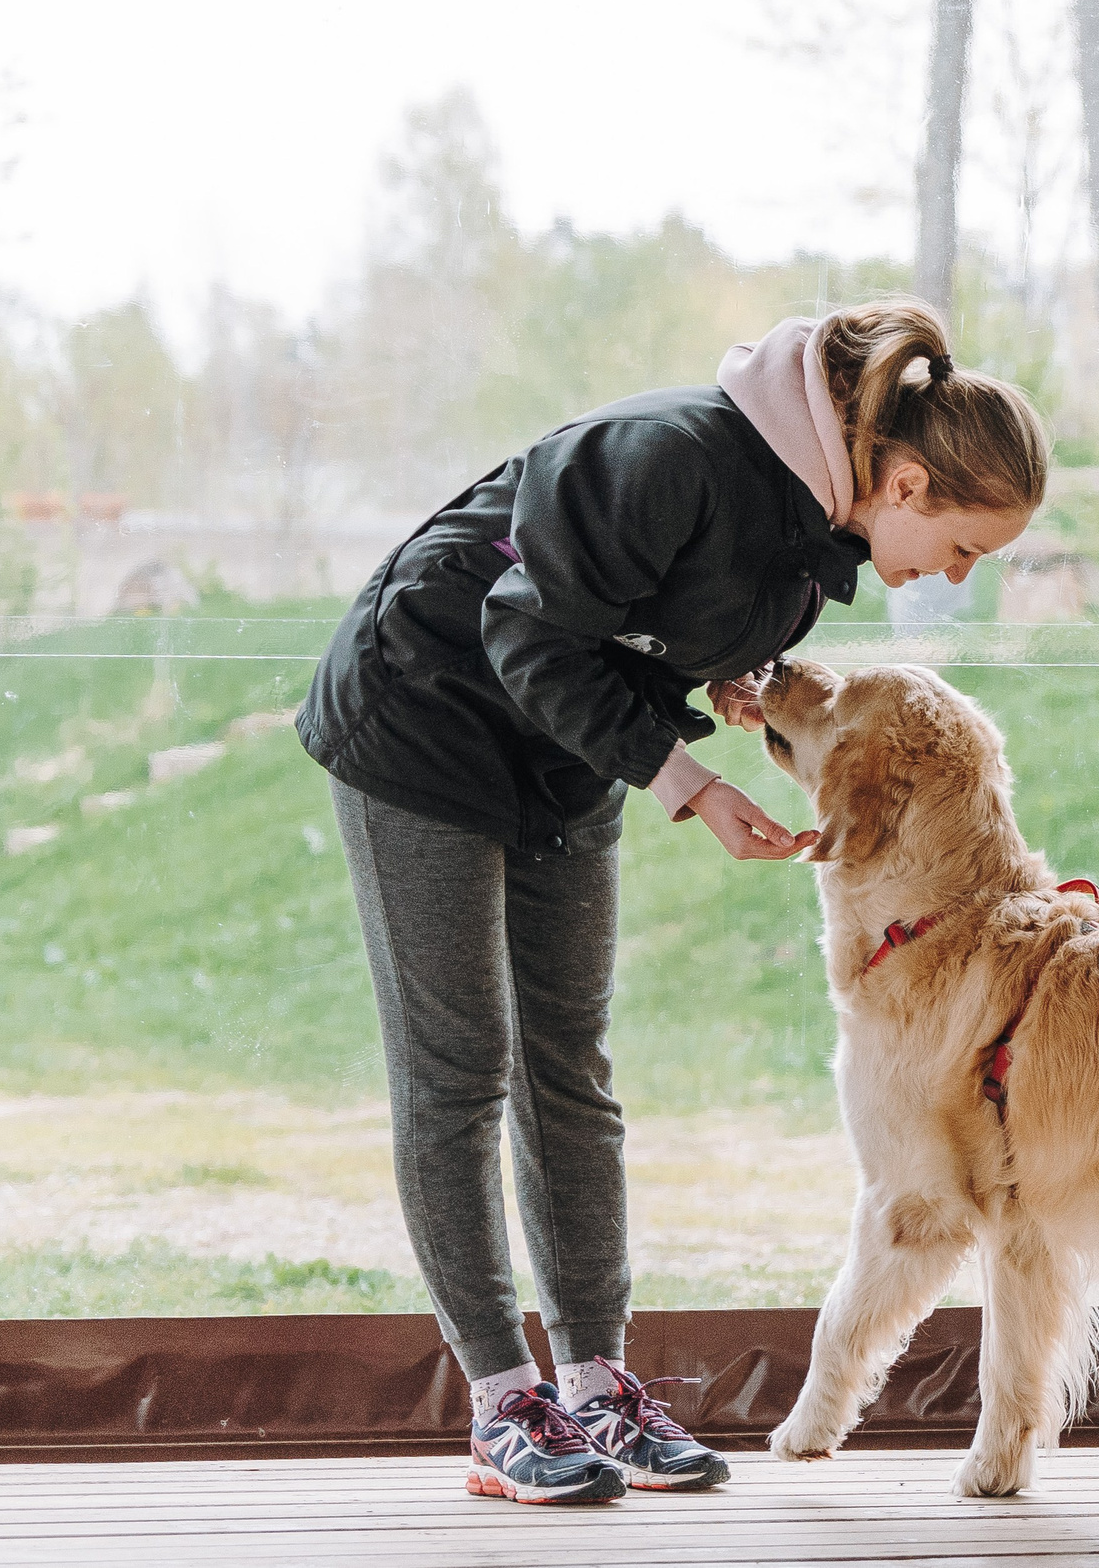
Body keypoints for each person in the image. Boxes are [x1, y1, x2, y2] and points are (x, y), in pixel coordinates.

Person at [297, 296, 1047, 1504]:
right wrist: (686, 780)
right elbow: (524, 633)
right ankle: (502, 1403)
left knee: (570, 1068)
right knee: (460, 1069)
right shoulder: (670, 458)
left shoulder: (819, 536)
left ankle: (595, 1381)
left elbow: (659, 631)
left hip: (563, 751)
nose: (953, 576)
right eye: (965, 546)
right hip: (421, 719)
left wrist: (732, 689)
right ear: (905, 480)